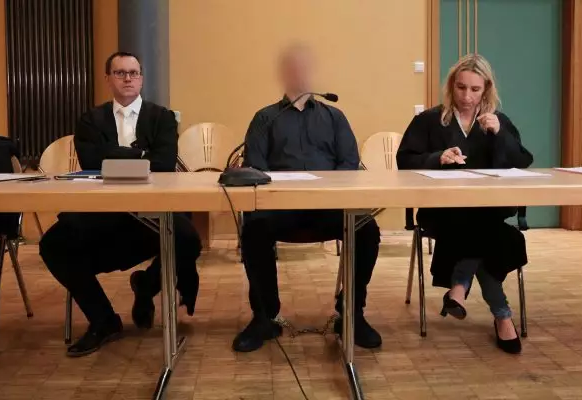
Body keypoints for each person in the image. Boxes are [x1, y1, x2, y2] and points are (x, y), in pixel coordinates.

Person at [39, 51, 202, 357]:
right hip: (103, 213)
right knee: (53, 245)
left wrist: (113, 153)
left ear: (141, 79)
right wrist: (141, 155)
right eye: (120, 73)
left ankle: (146, 285)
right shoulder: (90, 119)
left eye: (133, 73)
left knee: (188, 239)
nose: (128, 79)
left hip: (152, 213)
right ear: (108, 79)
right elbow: (92, 162)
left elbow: (164, 163)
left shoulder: (162, 117)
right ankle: (104, 321)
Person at [234, 44, 382, 352]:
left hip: (327, 208)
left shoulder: (334, 117)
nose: (300, 74)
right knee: (253, 229)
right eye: (293, 68)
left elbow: (349, 163)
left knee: (366, 229)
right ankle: (264, 316)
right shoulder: (264, 118)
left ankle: (352, 313)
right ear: (283, 74)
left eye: (305, 68)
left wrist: (325, 192)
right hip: (279, 209)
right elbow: (255, 168)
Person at [396, 54, 533, 354]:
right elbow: (404, 161)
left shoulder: (498, 121)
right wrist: (438, 158)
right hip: (443, 213)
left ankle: (459, 287)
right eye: (461, 88)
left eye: (475, 89)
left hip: (487, 213)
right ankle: (502, 316)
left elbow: (521, 161)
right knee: (495, 236)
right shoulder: (429, 120)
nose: (467, 96)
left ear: (486, 89)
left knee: (483, 229)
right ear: (451, 86)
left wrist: (500, 135)